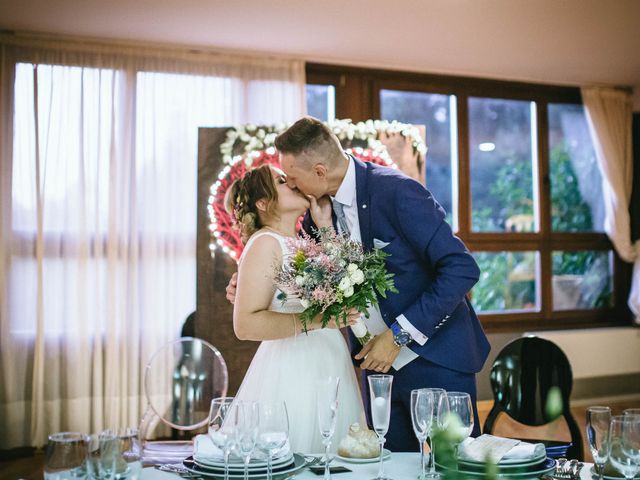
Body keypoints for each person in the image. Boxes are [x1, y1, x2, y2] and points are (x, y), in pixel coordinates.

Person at [229, 117, 490, 451]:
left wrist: (398, 337)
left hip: (436, 360)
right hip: (375, 370)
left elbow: (461, 268)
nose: (292, 187)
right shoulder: (314, 215)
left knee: (456, 467)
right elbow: (294, 274)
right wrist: (245, 285)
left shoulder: (396, 191)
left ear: (319, 171)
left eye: (293, 179)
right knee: (391, 469)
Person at [225, 164, 366, 453]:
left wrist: (324, 223)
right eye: (280, 181)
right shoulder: (264, 242)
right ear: (263, 203)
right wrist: (318, 321)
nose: (291, 182)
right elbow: (245, 325)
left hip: (328, 360)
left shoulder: (302, 242)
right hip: (294, 367)